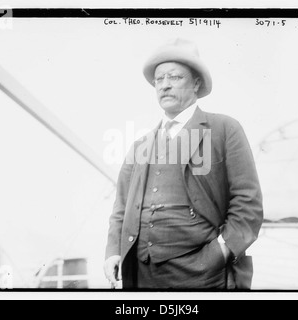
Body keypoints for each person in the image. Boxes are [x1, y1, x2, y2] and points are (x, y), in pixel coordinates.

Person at [104, 38, 263, 289]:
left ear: (196, 83)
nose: (165, 86)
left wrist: (219, 253)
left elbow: (248, 204)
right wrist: (114, 251)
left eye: (175, 77)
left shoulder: (224, 129)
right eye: (159, 79)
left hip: (204, 276)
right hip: (142, 275)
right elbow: (121, 206)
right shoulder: (140, 145)